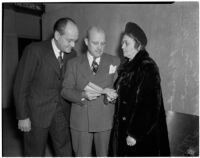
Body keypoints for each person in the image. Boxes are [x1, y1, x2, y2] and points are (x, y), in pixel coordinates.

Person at [13, 17, 79, 156]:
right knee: (34, 153)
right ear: (57, 35)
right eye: (69, 40)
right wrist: (22, 116)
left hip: (61, 112)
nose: (73, 45)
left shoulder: (72, 55)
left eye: (75, 41)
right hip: (36, 114)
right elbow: (21, 85)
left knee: (65, 151)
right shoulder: (34, 50)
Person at [110, 22, 170, 156]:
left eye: (126, 43)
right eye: (122, 43)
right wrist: (113, 95)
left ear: (138, 45)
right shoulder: (127, 66)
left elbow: (148, 105)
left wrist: (134, 133)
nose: (122, 46)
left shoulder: (147, 66)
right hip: (123, 129)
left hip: (141, 135)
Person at [61, 26, 120, 156]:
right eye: (95, 43)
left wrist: (113, 96)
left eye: (103, 43)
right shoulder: (73, 63)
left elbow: (120, 88)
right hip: (81, 120)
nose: (99, 47)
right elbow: (65, 91)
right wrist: (82, 95)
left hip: (104, 119)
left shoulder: (115, 61)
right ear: (86, 42)